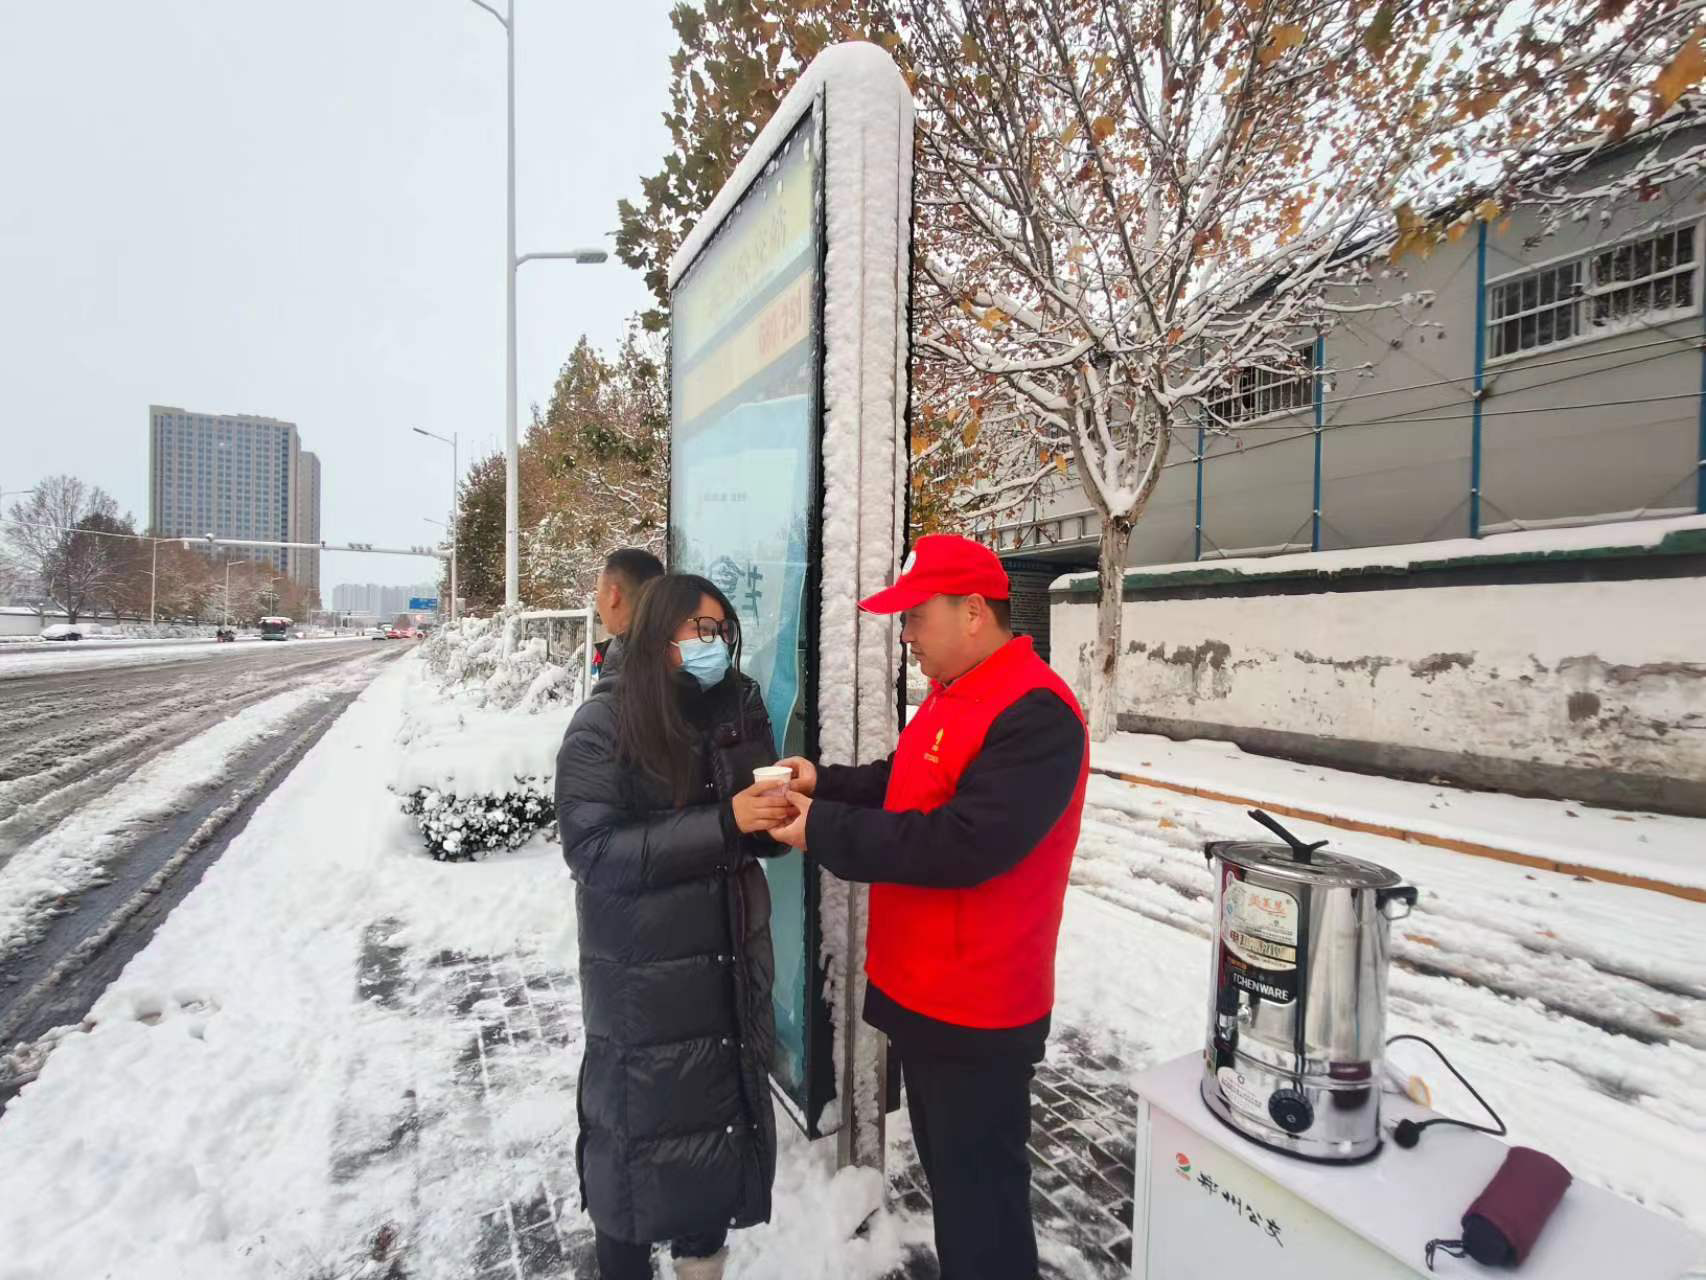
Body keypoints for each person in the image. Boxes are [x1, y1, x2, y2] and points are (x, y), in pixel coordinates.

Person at [769, 534, 1088, 1280]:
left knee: (983, 1207)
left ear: (973, 611)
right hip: (927, 992)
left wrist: (821, 830)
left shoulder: (1036, 713)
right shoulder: (958, 692)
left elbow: (963, 843)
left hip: (980, 1007)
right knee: (956, 1189)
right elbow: (906, 781)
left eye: (915, 617)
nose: (906, 635)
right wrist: (825, 785)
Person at [555, 573, 789, 1280]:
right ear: (660, 634)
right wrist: (725, 824)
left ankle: (702, 1264)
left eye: (722, 630)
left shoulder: (736, 706)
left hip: (726, 967)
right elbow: (593, 849)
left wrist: (776, 816)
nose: (716, 644)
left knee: (715, 1141)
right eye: (701, 630)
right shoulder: (603, 724)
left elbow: (758, 830)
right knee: (633, 1151)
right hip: (644, 977)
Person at [591, 546, 664, 681]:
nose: (596, 602)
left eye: (598, 592)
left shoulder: (614, 692)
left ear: (614, 595)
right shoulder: (676, 654)